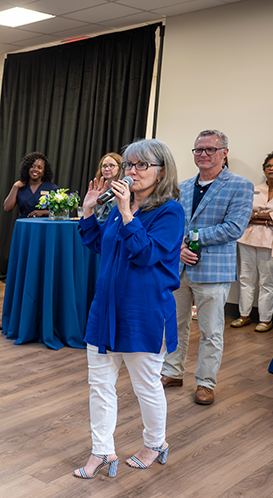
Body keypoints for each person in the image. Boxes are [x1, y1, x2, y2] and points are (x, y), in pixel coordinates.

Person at [72, 139, 184, 479]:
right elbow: (98, 244)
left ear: (161, 171)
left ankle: (156, 443)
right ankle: (102, 451)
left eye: (141, 165)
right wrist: (89, 211)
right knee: (99, 384)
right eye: (129, 165)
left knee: (146, 386)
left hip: (143, 313)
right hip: (105, 310)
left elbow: (147, 254)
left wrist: (125, 213)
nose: (131, 172)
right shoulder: (125, 205)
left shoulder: (170, 212)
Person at [160, 130, 253, 406]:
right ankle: (172, 372)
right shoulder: (183, 187)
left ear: (224, 153)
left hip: (213, 270)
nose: (203, 154)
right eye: (198, 150)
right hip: (179, 268)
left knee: (211, 331)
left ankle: (205, 383)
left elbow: (234, 227)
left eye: (210, 150)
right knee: (175, 325)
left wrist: (191, 239)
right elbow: (172, 225)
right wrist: (178, 248)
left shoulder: (240, 185)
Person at [231, 151, 273, 333]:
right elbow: (243, 212)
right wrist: (266, 217)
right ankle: (244, 315)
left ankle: (265, 319)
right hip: (247, 238)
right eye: (268, 166)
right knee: (245, 278)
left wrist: (256, 215)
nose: (271, 168)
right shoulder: (254, 188)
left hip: (272, 241)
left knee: (267, 282)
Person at [2, 152, 58, 219]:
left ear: (44, 171)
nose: (35, 169)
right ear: (27, 169)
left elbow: (61, 212)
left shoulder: (52, 188)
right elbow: (7, 208)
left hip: (44, 226)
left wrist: (43, 212)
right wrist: (15, 187)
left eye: (39, 167)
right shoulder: (20, 187)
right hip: (24, 225)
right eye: (32, 166)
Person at [93, 152, 123, 221]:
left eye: (111, 165)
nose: (107, 169)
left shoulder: (125, 189)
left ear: (120, 167)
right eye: (104, 166)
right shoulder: (99, 190)